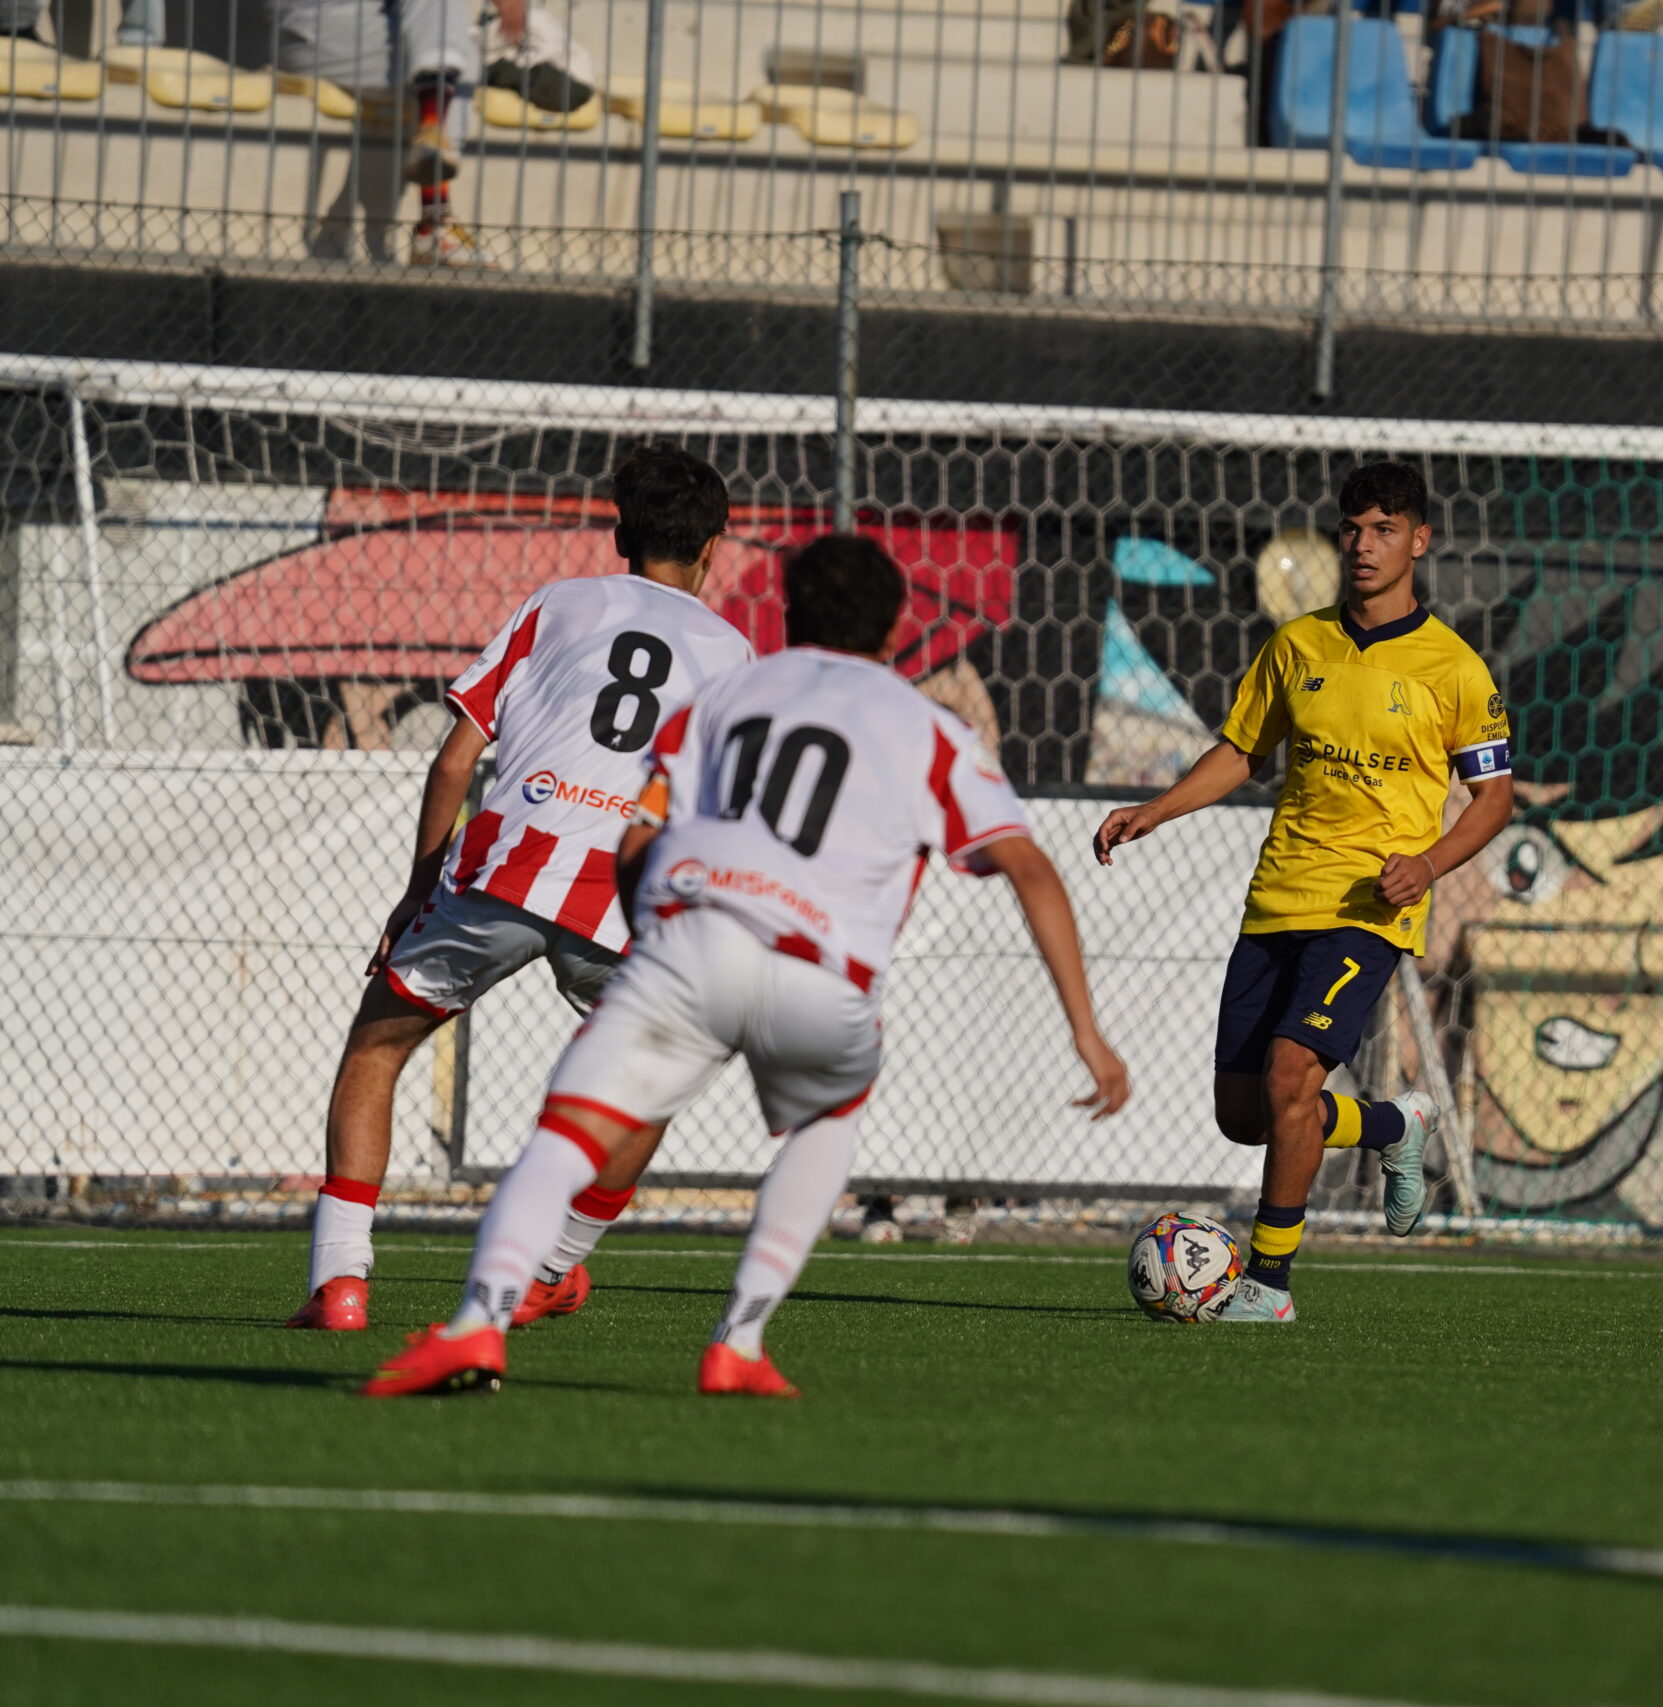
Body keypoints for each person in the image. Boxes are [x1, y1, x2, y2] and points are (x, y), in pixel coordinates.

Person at [365, 535, 1130, 1397]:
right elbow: (1029, 868)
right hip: (819, 973)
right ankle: (740, 1340)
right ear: (894, 631)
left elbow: (643, 832)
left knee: (567, 1134)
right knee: (826, 1120)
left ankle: (477, 1323)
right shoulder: (931, 730)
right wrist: (1086, 1030)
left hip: (694, 942)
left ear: (791, 616)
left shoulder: (724, 696)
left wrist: (650, 933)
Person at [287, 445, 753, 1333]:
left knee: (376, 1049)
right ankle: (553, 1267)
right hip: (625, 894)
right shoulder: (734, 652)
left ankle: (340, 1284)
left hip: (505, 868)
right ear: (712, 550)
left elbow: (458, 755)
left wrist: (417, 892)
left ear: (620, 532)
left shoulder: (557, 604)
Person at [1094, 461, 1514, 1323]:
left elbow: (1495, 797)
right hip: (1278, 896)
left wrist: (1428, 865)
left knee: (1292, 1078)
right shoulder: (1297, 645)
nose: (1364, 544)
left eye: (1384, 529)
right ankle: (1395, 1126)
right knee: (1247, 1114)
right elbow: (1243, 749)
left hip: (1369, 907)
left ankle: (1269, 1285)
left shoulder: (1455, 668)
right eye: (1353, 528)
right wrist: (1157, 810)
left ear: (1419, 541)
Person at [269, 0, 521, 265]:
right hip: (313, 28)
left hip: (353, 30)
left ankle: (434, 212)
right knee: (453, 56)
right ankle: (434, 219)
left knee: (453, 54)